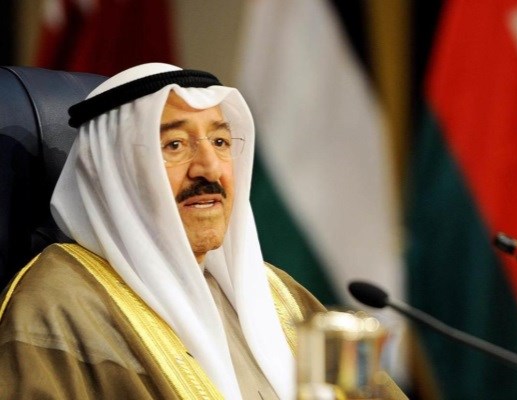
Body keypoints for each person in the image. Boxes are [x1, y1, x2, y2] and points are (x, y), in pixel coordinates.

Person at [0, 63, 404, 399]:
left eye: (221, 141)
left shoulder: (281, 294)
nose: (210, 168)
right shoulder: (57, 306)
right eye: (175, 145)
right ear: (118, 172)